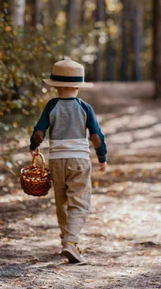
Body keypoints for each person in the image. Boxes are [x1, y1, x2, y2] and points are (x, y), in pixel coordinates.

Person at [29, 59, 108, 263]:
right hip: (79, 160)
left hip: (56, 161)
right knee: (80, 201)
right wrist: (102, 157)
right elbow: (97, 136)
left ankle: (66, 240)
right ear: (77, 86)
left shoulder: (51, 105)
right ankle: (71, 243)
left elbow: (39, 132)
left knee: (61, 202)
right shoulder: (84, 107)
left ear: (55, 85)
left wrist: (33, 146)